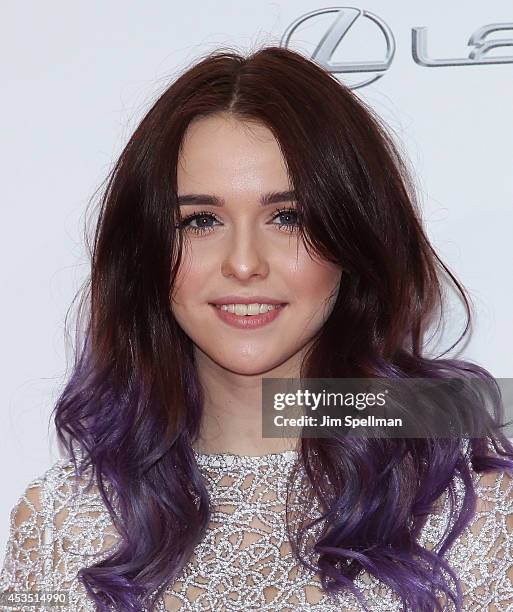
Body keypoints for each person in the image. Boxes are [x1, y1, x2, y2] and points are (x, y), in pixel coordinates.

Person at [1, 45, 512, 612]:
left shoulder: (477, 519)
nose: (244, 264)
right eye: (201, 221)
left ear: (353, 242)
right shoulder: (58, 526)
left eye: (287, 217)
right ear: (144, 250)